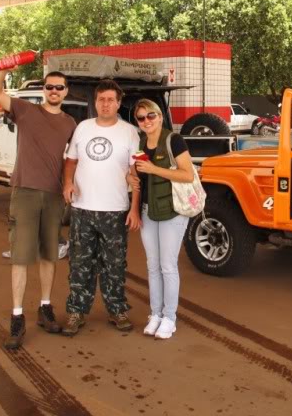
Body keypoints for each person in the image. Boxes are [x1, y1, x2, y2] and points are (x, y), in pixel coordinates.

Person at [0, 69, 76, 350]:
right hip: (25, 191)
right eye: (50, 87)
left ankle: (45, 308)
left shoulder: (71, 123)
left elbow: (73, 159)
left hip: (53, 196)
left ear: (66, 91)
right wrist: (0, 72)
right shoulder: (26, 110)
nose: (54, 91)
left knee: (50, 254)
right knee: (21, 257)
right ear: (43, 90)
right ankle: (17, 317)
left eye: (59, 88)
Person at [62, 80, 142, 336]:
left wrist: (134, 209)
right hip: (83, 208)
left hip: (115, 209)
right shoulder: (82, 128)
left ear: (118, 103)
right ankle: (76, 311)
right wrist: (67, 184)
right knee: (80, 263)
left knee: (114, 265)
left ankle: (117, 309)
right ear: (95, 102)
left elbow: (135, 173)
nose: (105, 104)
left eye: (110, 100)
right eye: (101, 99)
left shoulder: (129, 132)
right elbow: (71, 161)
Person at [133, 99, 195, 340]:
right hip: (149, 211)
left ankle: (170, 317)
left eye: (151, 115)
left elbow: (188, 175)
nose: (147, 121)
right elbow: (137, 176)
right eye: (141, 118)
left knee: (168, 266)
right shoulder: (140, 143)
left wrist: (154, 169)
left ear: (159, 116)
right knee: (152, 265)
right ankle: (155, 314)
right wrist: (132, 180)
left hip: (172, 211)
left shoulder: (173, 140)